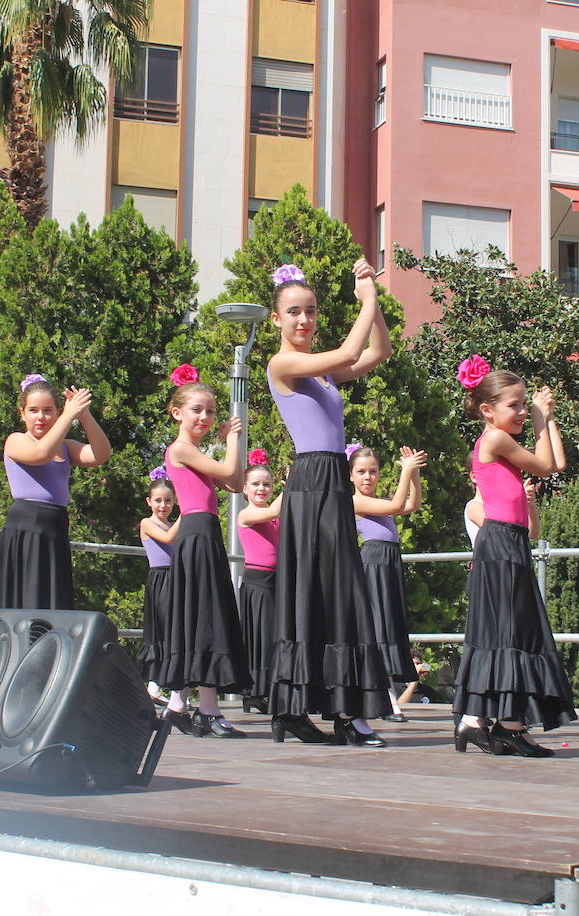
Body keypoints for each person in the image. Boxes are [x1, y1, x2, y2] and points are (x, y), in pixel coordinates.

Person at [265, 259, 394, 748]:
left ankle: (310, 710)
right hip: (311, 481)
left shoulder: (323, 376)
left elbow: (377, 349)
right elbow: (350, 347)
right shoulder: (284, 365)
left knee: (336, 591)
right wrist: (363, 303)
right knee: (319, 590)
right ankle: (331, 712)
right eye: (295, 312)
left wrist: (372, 299)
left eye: (312, 311)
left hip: (331, 483)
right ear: (276, 319)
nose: (304, 320)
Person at [452, 355, 577, 757]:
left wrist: (547, 418)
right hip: (500, 543)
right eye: (516, 405)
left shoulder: (504, 439)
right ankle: (503, 725)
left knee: (514, 631)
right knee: (506, 632)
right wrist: (540, 419)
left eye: (526, 404)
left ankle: (487, 722)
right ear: (488, 410)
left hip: (511, 542)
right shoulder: (495, 438)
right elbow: (542, 466)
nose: (522, 411)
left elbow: (556, 464)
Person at [156, 365, 250, 739]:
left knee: (201, 616)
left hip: (203, 532)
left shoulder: (194, 452)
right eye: (197, 409)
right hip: (196, 534)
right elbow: (231, 469)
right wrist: (232, 438)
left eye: (210, 411)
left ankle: (183, 703)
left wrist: (228, 447)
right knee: (203, 615)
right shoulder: (181, 448)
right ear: (177, 412)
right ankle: (203, 709)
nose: (206, 417)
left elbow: (236, 481)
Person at [0, 374, 111, 610]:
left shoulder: (65, 446)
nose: (41, 417)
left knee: (53, 599)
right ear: (22, 413)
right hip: (27, 527)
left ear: (57, 412)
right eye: (33, 410)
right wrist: (68, 415)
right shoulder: (16, 440)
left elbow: (101, 454)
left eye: (48, 410)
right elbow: (40, 454)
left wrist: (84, 415)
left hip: (55, 528)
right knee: (28, 599)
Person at [350, 443, 427, 720]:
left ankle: (385, 695)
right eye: (361, 472)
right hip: (373, 563)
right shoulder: (355, 501)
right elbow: (397, 505)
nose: (368, 477)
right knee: (378, 627)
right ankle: (387, 698)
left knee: (390, 624)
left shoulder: (380, 502)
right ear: (351, 476)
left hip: (389, 562)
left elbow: (411, 504)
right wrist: (405, 472)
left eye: (373, 471)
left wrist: (413, 473)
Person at [237, 452, 283, 715]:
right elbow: (275, 509)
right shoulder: (246, 514)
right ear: (245, 489)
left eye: (266, 484)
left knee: (273, 638)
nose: (262, 488)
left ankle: (265, 689)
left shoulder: (272, 515)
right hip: (257, 582)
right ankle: (253, 691)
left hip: (275, 581)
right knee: (259, 638)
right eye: (255, 484)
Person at [137, 470, 180, 704]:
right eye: (158, 500)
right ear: (149, 502)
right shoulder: (147, 523)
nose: (163, 505)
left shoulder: (173, 524)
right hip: (160, 580)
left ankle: (169, 685)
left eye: (168, 500)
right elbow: (168, 539)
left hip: (174, 579)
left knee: (173, 630)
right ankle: (154, 684)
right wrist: (191, 512)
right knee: (160, 630)